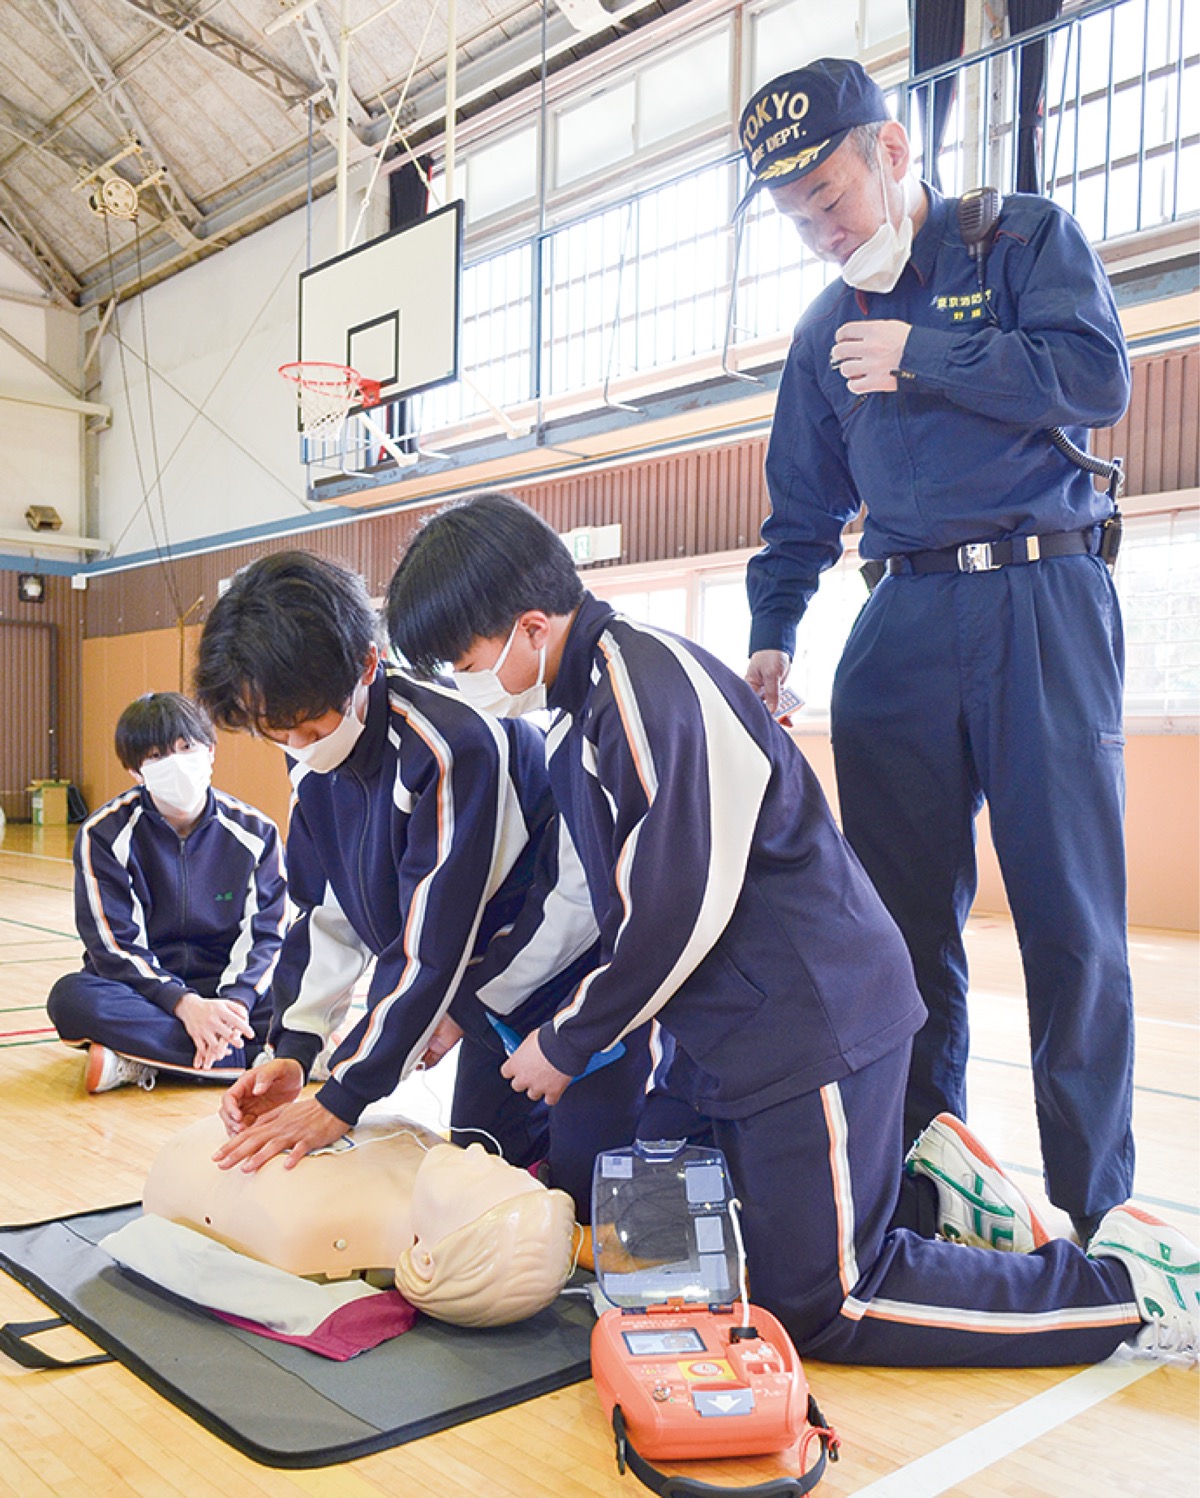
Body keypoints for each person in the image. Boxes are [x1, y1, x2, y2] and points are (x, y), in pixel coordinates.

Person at [383, 490, 1198, 1369]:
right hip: (725, 1031)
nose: (455, 682)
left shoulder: (643, 692)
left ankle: (1121, 1289)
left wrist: (570, 1039)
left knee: (821, 1305)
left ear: (532, 627)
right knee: (653, 1222)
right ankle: (930, 1199)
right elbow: (598, 904)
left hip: (809, 1024)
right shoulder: (588, 706)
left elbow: (675, 907)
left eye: (458, 660)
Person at [737, 57, 1134, 1248]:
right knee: (899, 933)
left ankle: (1099, 1206)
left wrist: (923, 353)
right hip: (900, 625)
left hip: (1043, 595)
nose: (822, 228)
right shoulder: (820, 335)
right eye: (796, 217)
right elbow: (797, 512)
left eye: (831, 194)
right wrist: (771, 634)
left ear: (894, 149)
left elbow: (1097, 378)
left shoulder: (1017, 241)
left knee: (1072, 920)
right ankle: (929, 1188)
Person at [192, 550, 651, 1216]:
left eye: (309, 723)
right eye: (276, 731)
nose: (298, 742)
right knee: (482, 1158)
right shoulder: (312, 768)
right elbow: (325, 914)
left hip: (571, 979)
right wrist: (296, 1048)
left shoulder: (450, 745)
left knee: (589, 1185)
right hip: (476, 991)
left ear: (365, 668)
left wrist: (343, 1097)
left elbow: (432, 938)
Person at [47, 692, 286, 1092]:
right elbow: (113, 946)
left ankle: (142, 1058)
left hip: (229, 994)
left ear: (210, 751)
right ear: (135, 771)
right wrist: (184, 1004)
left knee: (299, 988)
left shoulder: (256, 833)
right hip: (144, 993)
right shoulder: (102, 835)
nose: (175, 763)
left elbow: (267, 935)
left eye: (186, 747)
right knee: (70, 998)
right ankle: (243, 1059)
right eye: (156, 756)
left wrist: (234, 1004)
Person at [140, 1113, 578, 1328]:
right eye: (503, 1166)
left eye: (480, 1179)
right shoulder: (425, 1150)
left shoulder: (303, 1219)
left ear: (426, 1259)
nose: (480, 1153)